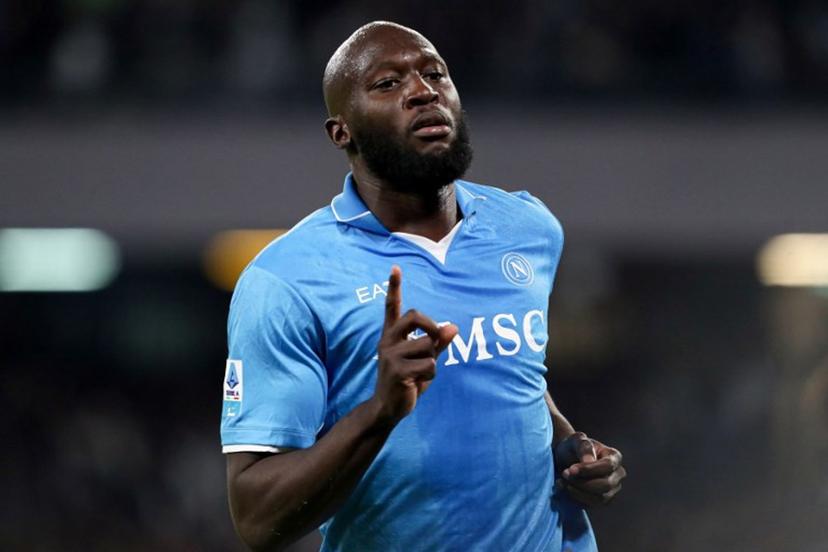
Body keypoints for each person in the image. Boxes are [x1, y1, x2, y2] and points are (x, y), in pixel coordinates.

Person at [220, 21, 626, 552]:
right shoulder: (286, 281)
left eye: (435, 74)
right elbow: (255, 519)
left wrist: (571, 447)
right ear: (341, 132)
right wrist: (379, 411)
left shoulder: (527, 228)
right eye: (388, 84)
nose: (423, 91)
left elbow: (516, 378)